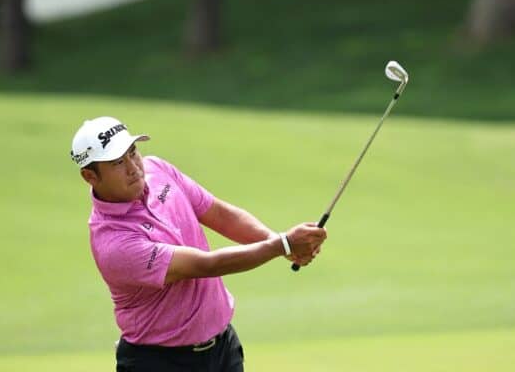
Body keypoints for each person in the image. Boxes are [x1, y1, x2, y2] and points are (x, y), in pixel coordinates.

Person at [70, 116, 327, 372]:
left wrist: (281, 243)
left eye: (133, 152)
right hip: (161, 363)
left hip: (223, 350)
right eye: (117, 162)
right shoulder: (114, 242)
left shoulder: (157, 170)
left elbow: (219, 214)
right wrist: (282, 245)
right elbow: (208, 265)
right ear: (90, 176)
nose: (133, 167)